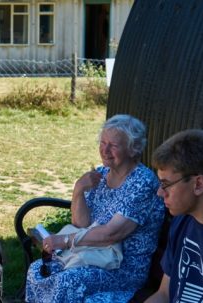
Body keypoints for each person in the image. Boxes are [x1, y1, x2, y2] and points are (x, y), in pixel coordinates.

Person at [25, 114, 165, 302]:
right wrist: (78, 190)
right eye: (103, 142)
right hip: (90, 255)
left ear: (133, 149)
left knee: (67, 282)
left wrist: (65, 240)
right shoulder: (100, 174)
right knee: (37, 270)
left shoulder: (142, 183)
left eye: (114, 146)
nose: (105, 150)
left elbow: (111, 235)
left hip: (122, 269)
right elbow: (80, 222)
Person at [146, 129, 203, 302]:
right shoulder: (182, 221)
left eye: (166, 184)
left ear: (198, 184)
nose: (160, 193)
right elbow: (164, 294)